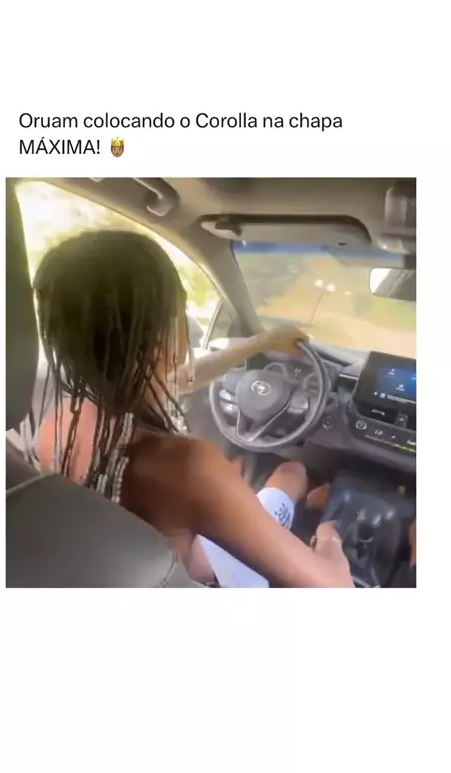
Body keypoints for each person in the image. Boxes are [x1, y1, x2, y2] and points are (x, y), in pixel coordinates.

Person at [32, 229, 353, 588]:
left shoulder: (57, 426)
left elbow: (181, 378)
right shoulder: (185, 465)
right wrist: (330, 540)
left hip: (151, 566)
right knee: (291, 473)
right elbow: (333, 588)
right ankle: (317, 502)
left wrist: (260, 343)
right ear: (161, 337)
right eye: (180, 310)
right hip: (187, 576)